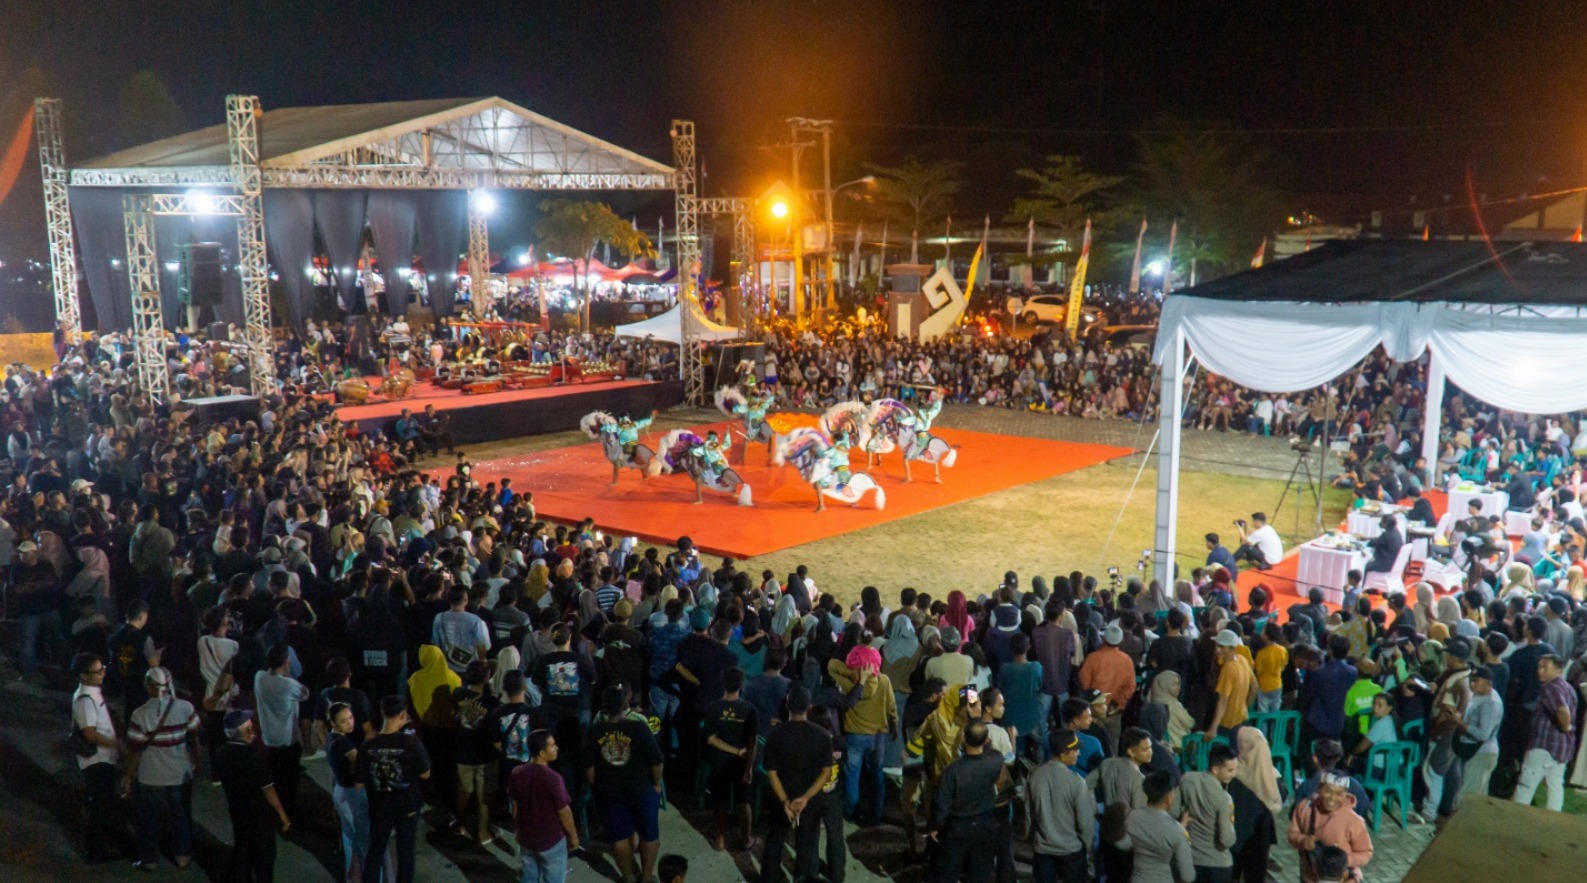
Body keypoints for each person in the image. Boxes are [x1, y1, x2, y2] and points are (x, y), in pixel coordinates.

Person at [760, 684, 845, 883]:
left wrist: (784, 801)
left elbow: (771, 772)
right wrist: (805, 798)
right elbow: (826, 772)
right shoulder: (822, 735)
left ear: (787, 706)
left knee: (775, 838)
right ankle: (801, 877)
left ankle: (769, 877)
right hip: (810, 800)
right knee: (806, 841)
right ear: (809, 707)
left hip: (781, 796)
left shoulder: (775, 734)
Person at [584, 684, 665, 883]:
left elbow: (589, 769)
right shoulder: (639, 728)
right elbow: (656, 762)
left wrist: (595, 787)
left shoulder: (594, 731)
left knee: (619, 837)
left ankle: (628, 877)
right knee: (649, 835)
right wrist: (656, 783)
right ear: (625, 704)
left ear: (604, 706)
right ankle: (646, 878)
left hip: (609, 792)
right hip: (641, 790)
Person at [123, 666, 200, 872]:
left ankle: (149, 859)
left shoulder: (139, 714)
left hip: (150, 775)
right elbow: (194, 737)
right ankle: (183, 856)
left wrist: (128, 775)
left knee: (148, 818)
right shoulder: (186, 707)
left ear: (148, 687)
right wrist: (197, 763)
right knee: (180, 815)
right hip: (180, 773)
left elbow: (135, 749)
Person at [358, 695, 433, 883]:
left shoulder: (367, 746)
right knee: (405, 853)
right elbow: (425, 774)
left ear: (382, 713)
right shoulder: (412, 743)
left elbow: (359, 783)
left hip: (379, 807)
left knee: (375, 852)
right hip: (407, 806)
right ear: (403, 714)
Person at [931, 719, 1010, 883]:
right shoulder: (995, 760)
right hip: (985, 823)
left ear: (964, 739)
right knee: (980, 873)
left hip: (958, 826)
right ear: (987, 740)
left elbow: (942, 805)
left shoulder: (953, 771)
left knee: (948, 872)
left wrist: (937, 826)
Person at [216, 710, 291, 883]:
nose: (253, 729)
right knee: (264, 856)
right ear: (244, 731)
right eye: (249, 726)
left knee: (243, 849)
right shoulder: (253, 756)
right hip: (259, 813)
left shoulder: (221, 752)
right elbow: (268, 790)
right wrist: (282, 814)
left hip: (237, 810)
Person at [71, 652, 124, 863]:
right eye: (98, 671)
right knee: (99, 807)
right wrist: (115, 743)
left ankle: (99, 845)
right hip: (96, 761)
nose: (103, 673)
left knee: (103, 804)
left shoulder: (92, 692)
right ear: (83, 675)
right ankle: (94, 851)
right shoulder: (85, 699)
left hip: (102, 758)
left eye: (103, 668)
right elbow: (89, 734)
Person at [508, 729, 580, 883]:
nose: (557, 748)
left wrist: (518, 829)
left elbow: (515, 806)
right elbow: (564, 812)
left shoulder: (517, 772)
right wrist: (574, 837)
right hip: (550, 840)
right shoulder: (553, 778)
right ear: (542, 753)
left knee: (528, 877)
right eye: (552, 746)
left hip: (526, 839)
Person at [703, 666, 759, 852]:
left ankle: (720, 839)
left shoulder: (713, 708)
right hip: (742, 763)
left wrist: (733, 751)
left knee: (720, 801)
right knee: (744, 801)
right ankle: (746, 839)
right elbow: (753, 742)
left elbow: (711, 739)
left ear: (723, 684)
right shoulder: (749, 709)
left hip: (720, 762)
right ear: (741, 685)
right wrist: (748, 767)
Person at [1028, 729, 1095, 883]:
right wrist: (1085, 846)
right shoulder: (1076, 782)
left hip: (1043, 850)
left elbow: (1028, 814)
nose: (1078, 753)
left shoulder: (1035, 775)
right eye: (1075, 750)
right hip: (1071, 852)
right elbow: (1085, 823)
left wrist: (1033, 840)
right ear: (1063, 754)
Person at [1513, 653, 1577, 811]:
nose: (1540, 671)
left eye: (1545, 667)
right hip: (1562, 748)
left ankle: (1514, 818)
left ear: (1558, 669)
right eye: (1539, 666)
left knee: (1526, 785)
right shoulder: (1568, 688)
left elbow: (1563, 711)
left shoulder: (1551, 687)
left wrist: (1565, 726)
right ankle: (1552, 822)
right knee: (1555, 787)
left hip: (1543, 747)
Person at [255, 642, 309, 821]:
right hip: (288, 741)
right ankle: (289, 815)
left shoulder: (259, 677)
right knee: (289, 782)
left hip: (269, 740)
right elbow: (305, 693)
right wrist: (288, 675)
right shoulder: (287, 684)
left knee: (274, 780)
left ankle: (276, 813)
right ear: (286, 661)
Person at [1286, 773, 1372, 883]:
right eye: (1328, 791)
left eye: (1339, 793)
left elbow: (1366, 853)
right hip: (1309, 877)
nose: (1332, 798)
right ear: (1320, 788)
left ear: (1346, 794)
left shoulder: (1354, 821)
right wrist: (1302, 841)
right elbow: (1293, 834)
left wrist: (1343, 861)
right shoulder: (1305, 808)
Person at [452, 658, 499, 844]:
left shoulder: (457, 694)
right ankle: (482, 832)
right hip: (485, 756)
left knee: (464, 791)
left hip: (462, 753)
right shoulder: (492, 702)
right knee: (485, 795)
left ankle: (460, 824)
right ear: (487, 677)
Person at [1118, 770, 1194, 883]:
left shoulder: (1132, 817)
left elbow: (1123, 844)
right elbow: (1187, 876)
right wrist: (1180, 828)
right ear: (1168, 797)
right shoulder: (1177, 830)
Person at [1182, 743, 1239, 883]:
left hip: (1191, 858)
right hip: (1217, 865)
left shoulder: (1187, 779)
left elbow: (1173, 811)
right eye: (1230, 770)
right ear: (1215, 769)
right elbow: (1226, 840)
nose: (1234, 774)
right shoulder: (1224, 798)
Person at [1456, 665, 1504, 804]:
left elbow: (1483, 734)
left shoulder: (1490, 703)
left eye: (1476, 680)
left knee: (1466, 799)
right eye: (1472, 679)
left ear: (1488, 682)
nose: (1472, 684)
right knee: (1478, 801)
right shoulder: (1480, 694)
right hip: (1478, 753)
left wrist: (1460, 723)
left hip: (1481, 755)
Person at [1207, 628, 1256, 741]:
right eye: (1217, 645)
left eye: (1222, 647)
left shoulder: (1228, 668)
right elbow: (1254, 688)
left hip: (1227, 724)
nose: (1218, 650)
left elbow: (1222, 702)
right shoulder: (1243, 660)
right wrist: (1245, 707)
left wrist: (1213, 728)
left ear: (1232, 649)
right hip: (1242, 719)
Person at [1362, 514, 1404, 581]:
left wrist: (1364, 541)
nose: (1380, 523)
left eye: (1382, 521)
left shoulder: (1387, 535)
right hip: (1394, 563)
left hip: (1386, 565)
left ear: (1386, 523)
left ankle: (1364, 584)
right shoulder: (1396, 532)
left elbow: (1372, 543)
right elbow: (1380, 540)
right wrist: (1367, 538)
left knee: (1366, 565)